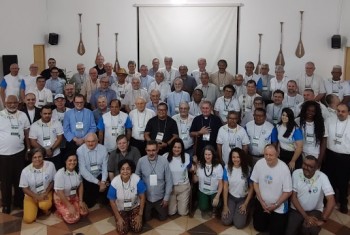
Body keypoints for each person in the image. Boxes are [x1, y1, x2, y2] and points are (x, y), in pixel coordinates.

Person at [285, 155, 335, 235]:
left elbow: (331, 200)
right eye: (304, 164)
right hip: (296, 209)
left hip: (314, 210)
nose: (305, 167)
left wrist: (323, 220)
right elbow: (293, 197)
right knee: (289, 232)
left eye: (310, 166)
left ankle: (304, 227)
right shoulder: (296, 173)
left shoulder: (322, 177)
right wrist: (306, 216)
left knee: (309, 229)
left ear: (316, 168)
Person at [251, 144, 292, 235]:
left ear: (277, 154)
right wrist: (261, 201)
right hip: (262, 203)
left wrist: (276, 205)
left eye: (271, 155)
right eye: (266, 154)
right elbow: (255, 182)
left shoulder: (284, 168)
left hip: (279, 206)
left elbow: (288, 192)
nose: (268, 157)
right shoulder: (259, 163)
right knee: (258, 227)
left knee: (277, 232)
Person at [0, 95, 30, 214]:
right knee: (5, 181)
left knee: (19, 179)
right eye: (10, 102)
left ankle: (19, 201)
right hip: (3, 154)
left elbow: (27, 132)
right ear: (5, 103)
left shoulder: (22, 115)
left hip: (19, 153)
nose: (12, 105)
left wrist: (28, 149)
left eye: (15, 103)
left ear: (18, 103)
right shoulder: (0, 115)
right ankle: (6, 205)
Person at [135, 140, 173, 221]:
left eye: (153, 150)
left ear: (157, 150)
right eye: (148, 150)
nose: (151, 153)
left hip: (160, 198)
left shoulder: (164, 161)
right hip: (146, 198)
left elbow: (169, 180)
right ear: (146, 150)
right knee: (146, 219)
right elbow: (136, 177)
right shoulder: (141, 161)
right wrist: (140, 195)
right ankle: (151, 210)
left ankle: (155, 210)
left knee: (163, 218)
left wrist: (166, 198)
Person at [323, 103, 350, 213]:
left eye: (343, 111)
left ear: (348, 112)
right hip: (330, 155)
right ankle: (329, 201)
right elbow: (325, 138)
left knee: (343, 181)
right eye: (338, 111)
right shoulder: (329, 120)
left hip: (346, 157)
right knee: (329, 179)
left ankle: (343, 202)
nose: (340, 113)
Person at [108, 159, 146, 235]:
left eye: (128, 169)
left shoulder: (136, 179)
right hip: (121, 208)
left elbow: (142, 197)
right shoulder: (115, 182)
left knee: (137, 228)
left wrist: (140, 215)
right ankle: (127, 219)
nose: (125, 171)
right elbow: (111, 201)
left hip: (134, 207)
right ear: (119, 170)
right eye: (122, 169)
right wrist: (118, 217)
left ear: (131, 170)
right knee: (122, 231)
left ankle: (130, 219)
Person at [19, 147, 56, 223]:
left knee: (44, 205)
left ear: (43, 156)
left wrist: (46, 192)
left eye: (40, 157)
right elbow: (24, 188)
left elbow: (53, 181)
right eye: (34, 157)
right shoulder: (25, 171)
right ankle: (36, 206)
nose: (37, 159)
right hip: (31, 195)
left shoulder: (50, 165)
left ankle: (44, 208)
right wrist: (35, 196)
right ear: (31, 158)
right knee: (28, 219)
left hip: (45, 193)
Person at [221, 148, 254, 229]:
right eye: (233, 157)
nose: (235, 159)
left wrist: (245, 204)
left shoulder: (248, 169)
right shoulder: (227, 168)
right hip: (231, 197)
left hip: (243, 199)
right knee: (226, 221)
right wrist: (225, 206)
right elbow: (225, 187)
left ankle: (247, 209)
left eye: (238, 157)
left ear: (241, 158)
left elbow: (252, 188)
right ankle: (232, 211)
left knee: (239, 224)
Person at [53, 154, 89, 224]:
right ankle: (59, 211)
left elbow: (81, 185)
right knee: (72, 219)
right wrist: (69, 206)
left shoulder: (78, 171)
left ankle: (72, 208)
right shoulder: (60, 173)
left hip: (74, 196)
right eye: (70, 160)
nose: (72, 162)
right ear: (65, 161)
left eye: (75, 160)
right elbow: (60, 192)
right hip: (62, 198)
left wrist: (81, 201)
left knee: (84, 213)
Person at [77, 133, 109, 208]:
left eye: (93, 141)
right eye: (88, 141)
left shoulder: (103, 149)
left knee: (106, 200)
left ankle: (100, 196)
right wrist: (98, 183)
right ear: (85, 141)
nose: (90, 143)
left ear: (97, 141)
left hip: (100, 175)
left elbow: (105, 167)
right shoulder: (80, 150)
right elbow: (83, 171)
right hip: (88, 177)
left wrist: (103, 181)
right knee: (89, 203)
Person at [192, 145, 223, 219]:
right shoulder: (200, 165)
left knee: (217, 204)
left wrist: (217, 196)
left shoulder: (218, 166)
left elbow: (221, 184)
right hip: (203, 191)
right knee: (203, 207)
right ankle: (207, 205)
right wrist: (195, 168)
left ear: (213, 155)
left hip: (214, 191)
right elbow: (195, 180)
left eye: (209, 154)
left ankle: (214, 208)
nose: (207, 156)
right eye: (205, 154)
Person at [29, 105, 64, 170]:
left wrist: (51, 149)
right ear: (41, 114)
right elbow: (33, 141)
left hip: (56, 154)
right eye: (45, 113)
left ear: (51, 113)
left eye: (49, 113)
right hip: (41, 156)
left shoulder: (57, 123)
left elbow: (60, 138)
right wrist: (44, 151)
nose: (47, 115)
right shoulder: (34, 125)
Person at [163, 138, 192, 216]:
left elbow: (192, 168)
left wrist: (195, 165)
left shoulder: (187, 156)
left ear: (182, 148)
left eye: (179, 147)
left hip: (183, 187)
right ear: (172, 147)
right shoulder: (165, 156)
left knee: (182, 213)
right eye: (175, 147)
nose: (176, 149)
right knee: (171, 212)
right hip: (170, 188)